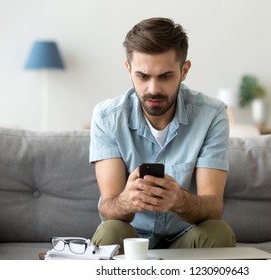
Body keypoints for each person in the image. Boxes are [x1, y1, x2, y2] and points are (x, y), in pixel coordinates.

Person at [89, 17, 236, 250]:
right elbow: (108, 208)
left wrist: (179, 200)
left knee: (218, 233)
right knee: (111, 231)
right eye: (143, 76)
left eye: (165, 76)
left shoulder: (212, 115)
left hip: (186, 236)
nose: (153, 89)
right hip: (132, 238)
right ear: (129, 70)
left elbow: (213, 207)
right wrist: (127, 200)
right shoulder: (107, 117)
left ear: (184, 70)